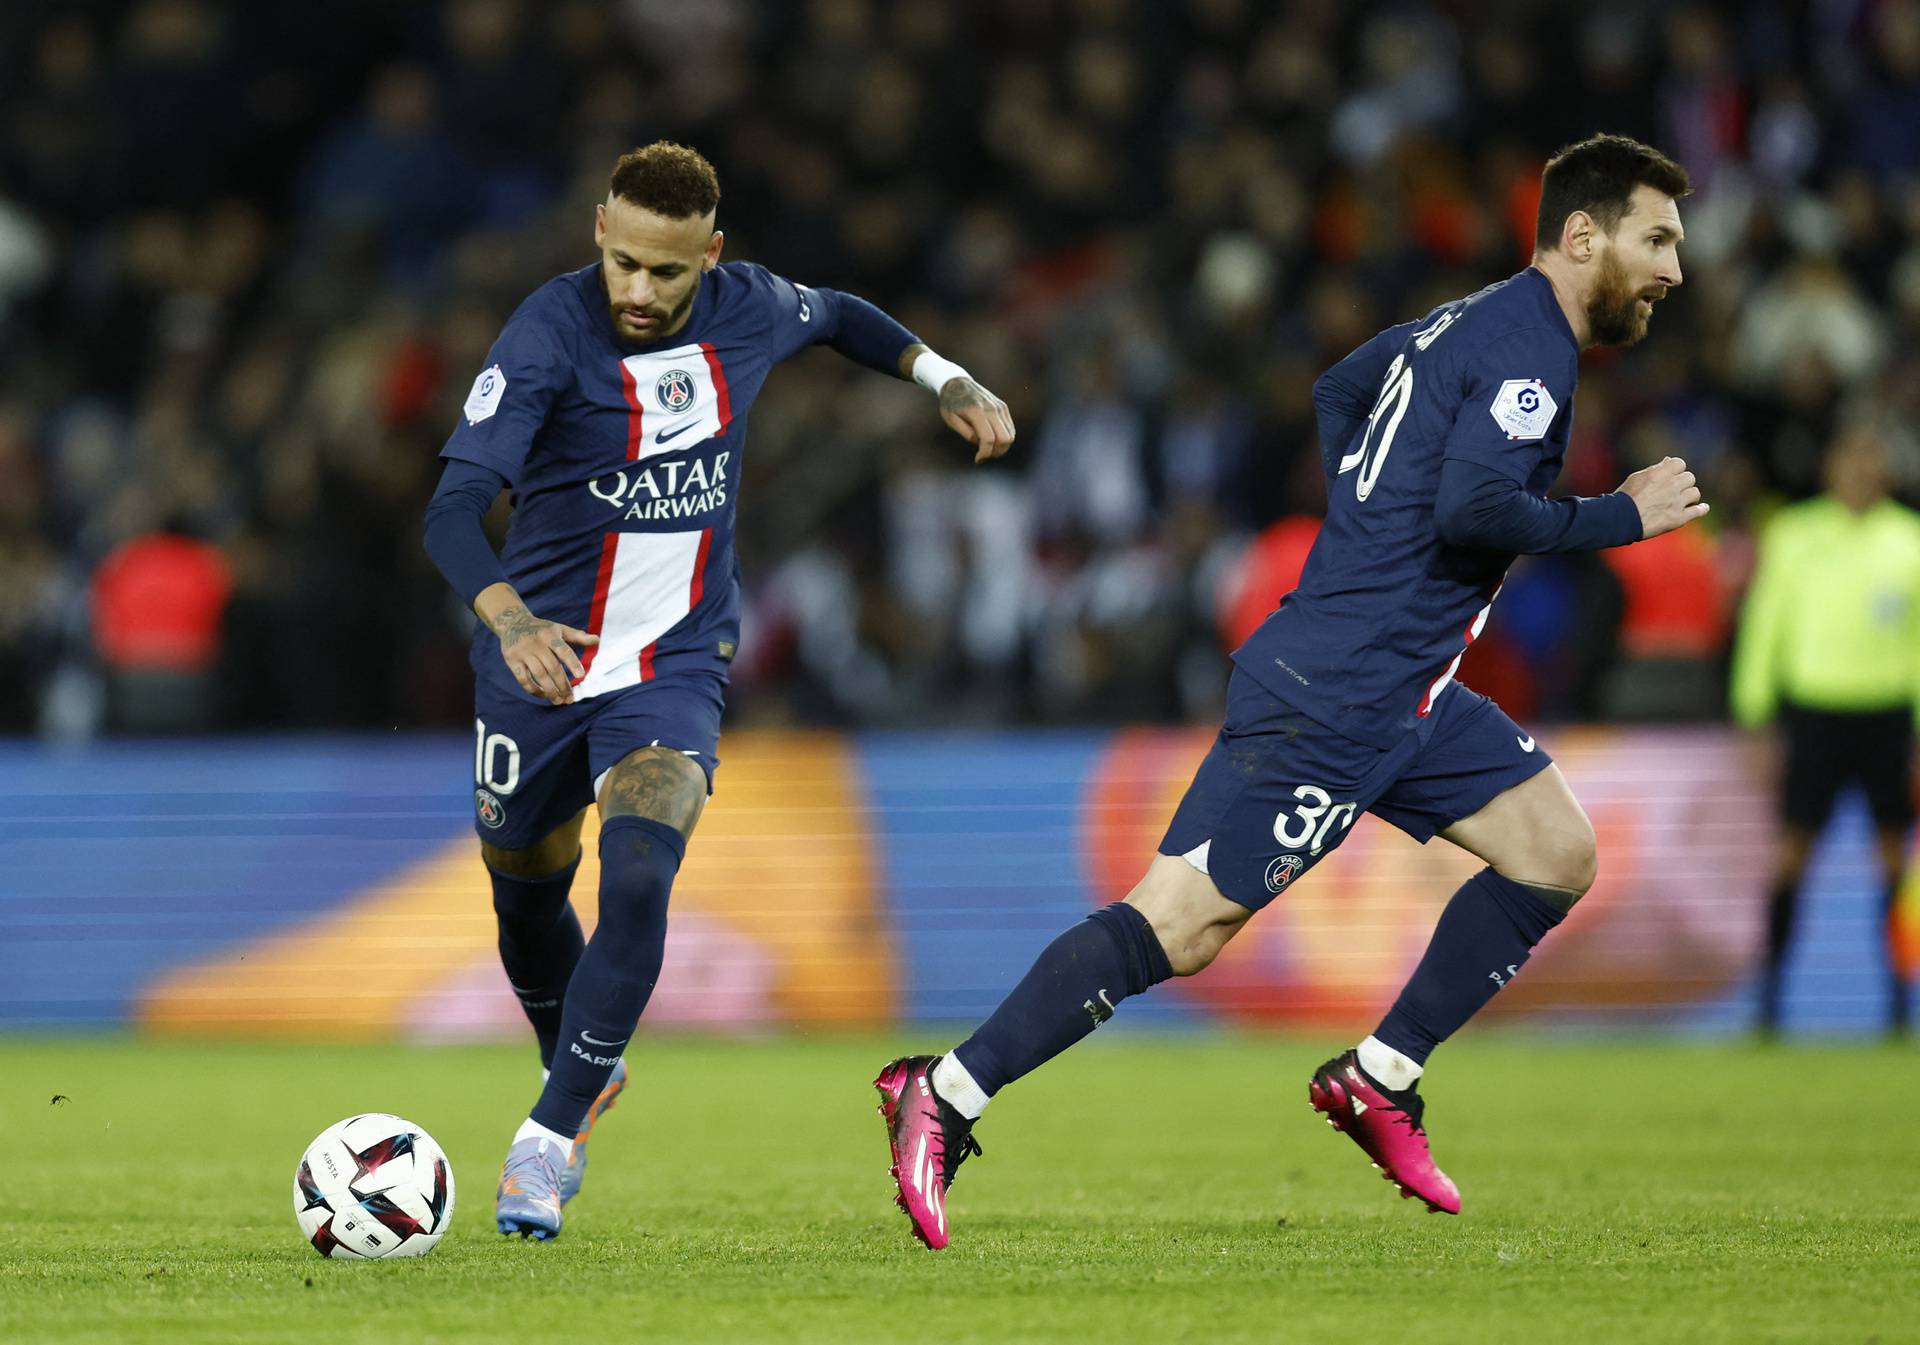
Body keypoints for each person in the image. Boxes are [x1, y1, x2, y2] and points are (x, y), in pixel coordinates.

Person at [874, 133, 1702, 1249]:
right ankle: (946, 1091)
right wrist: (1623, 515)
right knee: (1181, 923)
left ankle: (1380, 1076)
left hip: (1407, 688)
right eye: (1656, 240)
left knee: (1554, 850)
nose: (1674, 271)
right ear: (1582, 235)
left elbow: (1340, 388)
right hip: (1336, 694)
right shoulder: (1533, 352)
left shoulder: (1471, 318)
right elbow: (1472, 510)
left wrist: (1363, 525)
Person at [421, 141, 1014, 1240]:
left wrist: (945, 375)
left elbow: (839, 313)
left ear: (714, 257)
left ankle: (545, 1142)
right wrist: (509, 624)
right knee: (524, 892)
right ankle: (583, 1067)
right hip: (539, 661)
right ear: (600, 228)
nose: (642, 293)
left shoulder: (750, 307)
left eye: (670, 273)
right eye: (629, 263)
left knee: (640, 869)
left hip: (672, 663)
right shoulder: (545, 336)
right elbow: (451, 512)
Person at [1730, 423, 1920, 1036]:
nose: (1861, 474)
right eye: (1851, 462)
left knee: (1892, 862)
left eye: (1871, 462)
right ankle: (1770, 999)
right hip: (1814, 714)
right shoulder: (1795, 534)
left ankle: (1897, 1004)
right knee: (1791, 859)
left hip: (1887, 715)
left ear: (1884, 473)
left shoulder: (1909, 540)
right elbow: (1766, 625)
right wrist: (1756, 715)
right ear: (1833, 469)